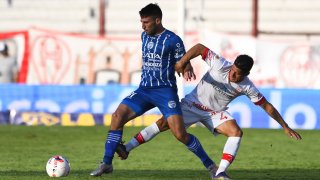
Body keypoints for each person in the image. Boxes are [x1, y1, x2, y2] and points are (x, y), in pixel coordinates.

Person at [115, 43, 302, 180]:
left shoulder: (247, 86)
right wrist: (182, 62)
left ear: (247, 74)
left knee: (236, 132)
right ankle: (127, 148)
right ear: (233, 64)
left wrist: (285, 126)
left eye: (238, 75)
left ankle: (220, 172)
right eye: (234, 71)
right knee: (163, 123)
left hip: (214, 113)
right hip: (192, 104)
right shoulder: (220, 64)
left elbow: (267, 105)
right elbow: (198, 48)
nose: (233, 76)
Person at [90, 4, 217, 177]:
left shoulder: (173, 40)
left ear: (158, 20)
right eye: (141, 22)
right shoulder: (144, 36)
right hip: (144, 90)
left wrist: (187, 66)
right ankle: (106, 162)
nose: (143, 26)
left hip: (165, 92)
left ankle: (211, 165)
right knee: (117, 117)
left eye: (146, 22)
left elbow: (182, 58)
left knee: (179, 134)